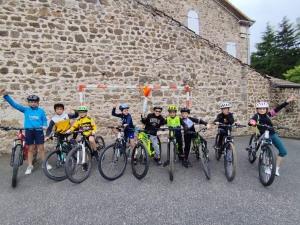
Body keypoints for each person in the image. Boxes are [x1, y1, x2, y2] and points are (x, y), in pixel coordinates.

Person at [1, 87, 48, 175]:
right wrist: (6, 95)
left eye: (34, 102)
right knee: (30, 149)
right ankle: (30, 166)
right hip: (29, 131)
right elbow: (15, 105)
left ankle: (45, 163)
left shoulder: (41, 111)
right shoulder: (26, 110)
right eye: (31, 102)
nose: (33, 103)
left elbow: (44, 120)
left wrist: (45, 126)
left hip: (38, 131)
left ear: (37, 103)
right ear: (29, 103)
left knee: (41, 147)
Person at [248, 96, 296, 176]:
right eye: (260, 109)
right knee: (267, 152)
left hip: (273, 134)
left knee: (283, 151)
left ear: (266, 109)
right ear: (257, 110)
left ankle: (276, 168)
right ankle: (267, 167)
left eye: (264, 109)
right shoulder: (257, 116)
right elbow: (251, 120)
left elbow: (278, 108)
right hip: (265, 135)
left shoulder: (268, 115)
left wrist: (287, 101)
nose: (262, 110)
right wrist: (252, 122)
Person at [66, 106, 98, 171]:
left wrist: (94, 131)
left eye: (83, 112)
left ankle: (95, 151)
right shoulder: (78, 120)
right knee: (84, 149)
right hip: (83, 135)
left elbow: (94, 126)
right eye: (80, 112)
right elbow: (74, 126)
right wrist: (69, 130)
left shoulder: (89, 119)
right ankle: (85, 163)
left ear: (86, 113)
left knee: (91, 140)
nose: (81, 114)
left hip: (90, 134)